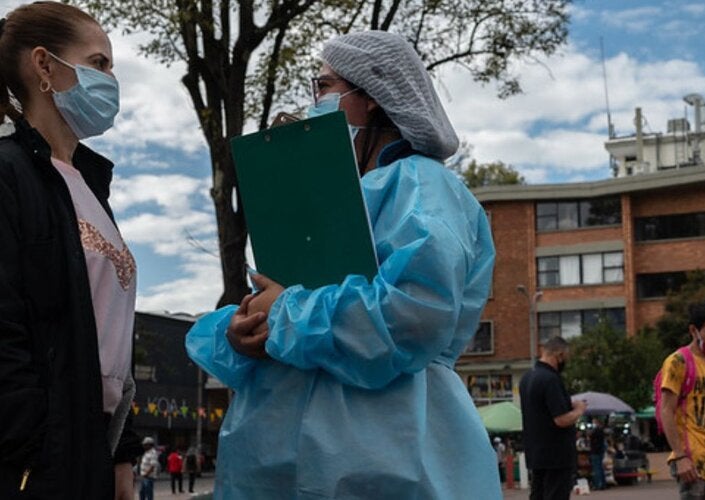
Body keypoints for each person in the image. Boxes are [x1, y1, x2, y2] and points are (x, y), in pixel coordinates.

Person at [186, 30, 499, 499]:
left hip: (388, 452)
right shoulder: (325, 199)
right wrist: (243, 329)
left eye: (325, 85)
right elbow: (284, 299)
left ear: (371, 96)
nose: (315, 100)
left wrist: (285, 312)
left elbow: (416, 315)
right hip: (273, 461)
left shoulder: (423, 186)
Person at [0, 2, 141, 498]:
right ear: (44, 65)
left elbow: (108, 335)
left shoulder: (90, 185)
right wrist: (33, 452)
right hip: (39, 465)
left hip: (92, 449)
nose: (111, 80)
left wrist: (121, 453)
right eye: (99, 63)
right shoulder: (9, 173)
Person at [659, 302, 705, 500]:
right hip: (692, 461)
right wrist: (680, 456)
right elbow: (666, 410)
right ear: (694, 330)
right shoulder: (678, 361)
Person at [518, 336, 587, 500]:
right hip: (556, 454)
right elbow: (561, 419)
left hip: (535, 452)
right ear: (559, 355)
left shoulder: (526, 378)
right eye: (566, 358)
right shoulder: (551, 379)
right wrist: (579, 410)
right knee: (556, 494)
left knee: (538, 494)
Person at [589, 418, 607, 490]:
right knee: (600, 467)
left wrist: (591, 435)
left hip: (595, 451)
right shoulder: (601, 430)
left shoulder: (596, 431)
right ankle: (603, 484)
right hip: (600, 451)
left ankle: (598, 484)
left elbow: (593, 439)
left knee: (596, 468)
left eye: (594, 422)